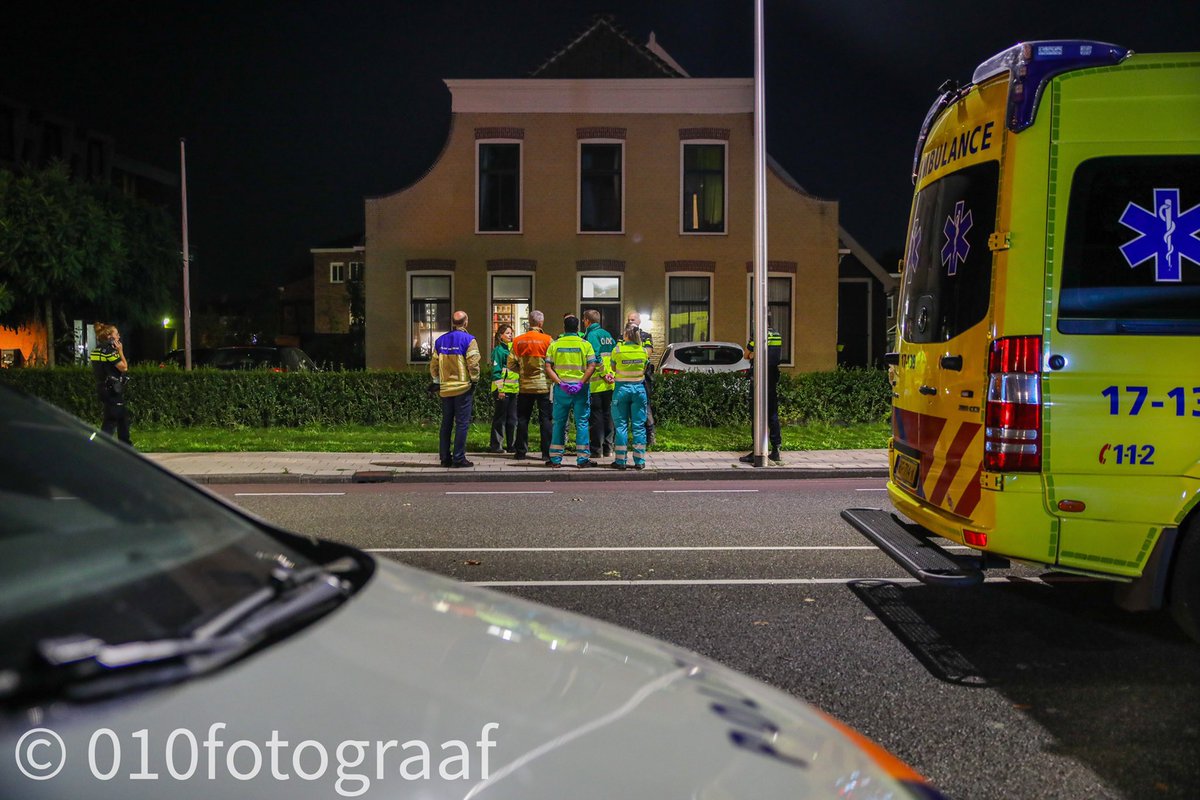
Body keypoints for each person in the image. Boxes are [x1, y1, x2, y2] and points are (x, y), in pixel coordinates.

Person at [544, 314, 598, 468]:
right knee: (581, 422)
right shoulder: (585, 344)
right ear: (577, 328)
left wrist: (560, 382)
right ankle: (582, 459)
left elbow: (548, 367)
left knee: (559, 423)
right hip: (580, 389)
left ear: (564, 327)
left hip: (562, 389)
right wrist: (581, 383)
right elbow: (592, 366)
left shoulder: (555, 345)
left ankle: (555, 459)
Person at [430, 310, 481, 468]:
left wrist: (437, 382)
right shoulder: (469, 340)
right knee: (461, 424)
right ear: (466, 322)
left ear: (453, 323)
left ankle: (445, 458)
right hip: (463, 388)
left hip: (445, 389)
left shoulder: (440, 341)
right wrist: (475, 380)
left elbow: (433, 366)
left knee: (446, 423)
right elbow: (473, 363)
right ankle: (459, 458)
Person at [508, 310, 554, 462]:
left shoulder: (518, 341)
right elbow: (553, 363)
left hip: (525, 386)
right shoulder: (548, 340)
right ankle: (546, 453)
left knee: (523, 419)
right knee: (545, 420)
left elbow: (510, 363)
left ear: (529, 322)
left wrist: (521, 371)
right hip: (544, 387)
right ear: (541, 323)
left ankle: (520, 452)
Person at [739, 312, 783, 464]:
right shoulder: (777, 335)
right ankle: (776, 449)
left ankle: (757, 449)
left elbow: (746, 355)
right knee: (772, 414)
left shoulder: (757, 335)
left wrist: (754, 354)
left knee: (756, 414)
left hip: (759, 377)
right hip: (772, 378)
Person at [610, 322, 650, 471]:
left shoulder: (617, 350)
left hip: (621, 390)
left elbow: (613, 367)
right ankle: (639, 461)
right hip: (639, 390)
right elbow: (645, 368)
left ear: (626, 335)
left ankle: (621, 461)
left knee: (621, 426)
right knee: (639, 426)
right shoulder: (643, 351)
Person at [89, 322, 132, 446]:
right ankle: (99, 445)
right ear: (110, 337)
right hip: (112, 389)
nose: (118, 336)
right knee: (112, 419)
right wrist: (120, 351)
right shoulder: (110, 351)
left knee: (121, 416)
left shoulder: (96, 351)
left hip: (102, 388)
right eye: (116, 334)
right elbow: (124, 367)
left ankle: (125, 445)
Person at [581, 309, 616, 458]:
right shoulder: (608, 335)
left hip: (597, 383)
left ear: (587, 321)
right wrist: (611, 374)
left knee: (596, 417)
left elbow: (595, 357)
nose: (583, 323)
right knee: (609, 415)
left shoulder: (591, 335)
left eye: (584, 320)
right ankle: (609, 448)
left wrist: (603, 374)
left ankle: (596, 449)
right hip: (610, 383)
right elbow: (615, 356)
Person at [488, 323, 519, 453]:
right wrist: (500, 389)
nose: (510, 335)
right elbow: (496, 372)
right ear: (500, 336)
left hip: (514, 389)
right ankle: (496, 446)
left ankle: (512, 445)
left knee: (512, 419)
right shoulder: (498, 351)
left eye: (511, 333)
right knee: (500, 418)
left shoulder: (513, 350)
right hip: (502, 390)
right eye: (507, 333)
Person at [627, 310, 656, 445]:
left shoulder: (645, 336)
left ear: (639, 321)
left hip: (643, 377)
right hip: (626, 378)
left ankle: (650, 435)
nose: (630, 322)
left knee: (645, 406)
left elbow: (648, 353)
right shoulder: (623, 336)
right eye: (629, 320)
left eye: (633, 320)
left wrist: (632, 351)